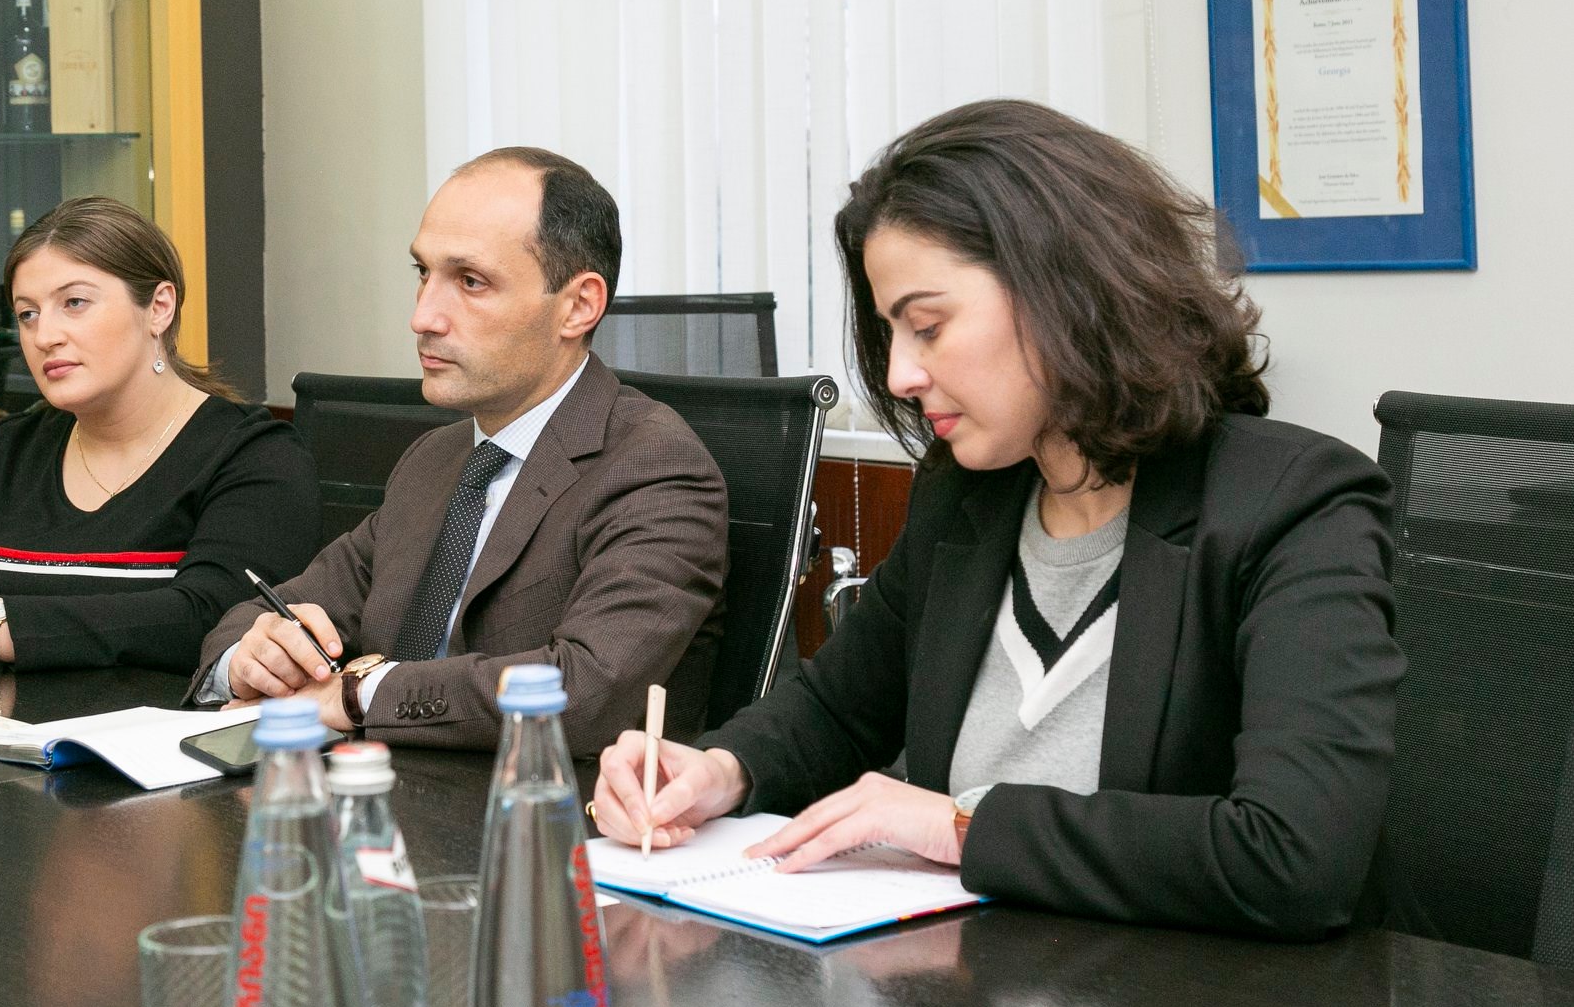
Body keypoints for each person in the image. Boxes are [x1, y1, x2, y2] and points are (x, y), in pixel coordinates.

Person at [592, 99, 1403, 940]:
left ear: (1066, 292)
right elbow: (838, 709)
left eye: (928, 326)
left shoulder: (1296, 504)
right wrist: (716, 771)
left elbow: (1293, 856)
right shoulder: (965, 497)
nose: (900, 375)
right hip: (974, 964)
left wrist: (960, 827)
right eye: (890, 333)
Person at [190, 147, 728, 752]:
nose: (423, 317)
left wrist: (356, 695)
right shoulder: (436, 458)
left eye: (471, 282)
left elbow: (582, 691)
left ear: (578, 306)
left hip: (547, 803)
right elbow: (272, 611)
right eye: (423, 273)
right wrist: (251, 657)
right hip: (378, 788)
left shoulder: (655, 469)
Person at [0, 197, 322, 676]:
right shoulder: (11, 450)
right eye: (27, 314)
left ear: (159, 307)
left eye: (74, 302)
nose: (44, 336)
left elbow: (216, 619)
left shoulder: (256, 455)